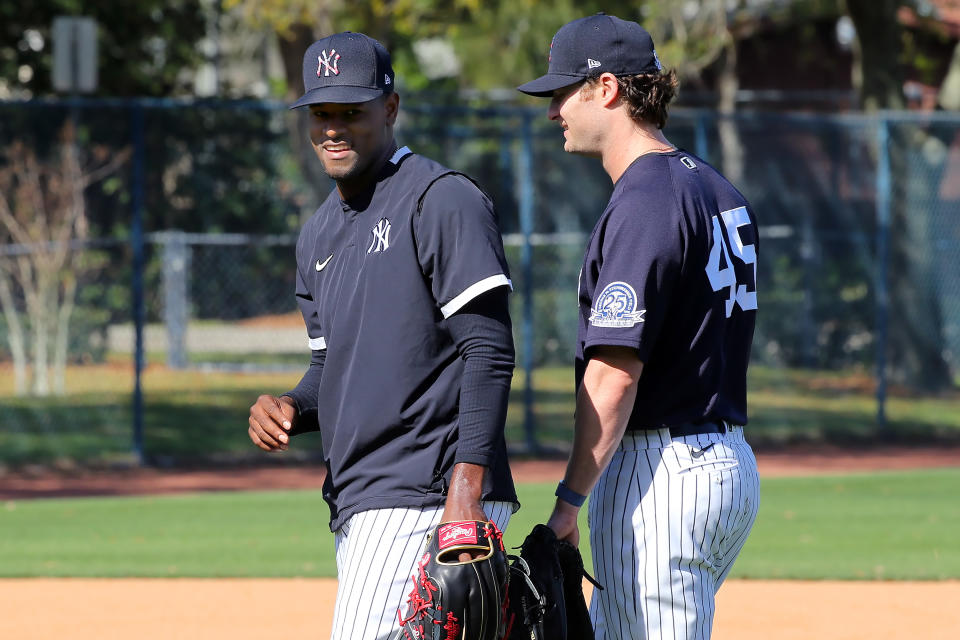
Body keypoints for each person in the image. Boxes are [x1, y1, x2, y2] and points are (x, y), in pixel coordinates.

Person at [247, 31, 518, 640]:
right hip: (364, 496)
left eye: (353, 112)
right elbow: (330, 369)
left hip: (429, 490)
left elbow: (488, 350)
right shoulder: (317, 235)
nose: (334, 128)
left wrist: (467, 491)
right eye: (322, 113)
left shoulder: (440, 198)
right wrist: (291, 405)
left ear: (390, 110)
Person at [517, 13, 761, 640]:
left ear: (606, 89)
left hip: (662, 471)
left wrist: (568, 502)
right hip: (724, 458)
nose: (553, 112)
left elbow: (614, 375)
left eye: (562, 92)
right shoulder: (713, 186)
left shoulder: (647, 198)